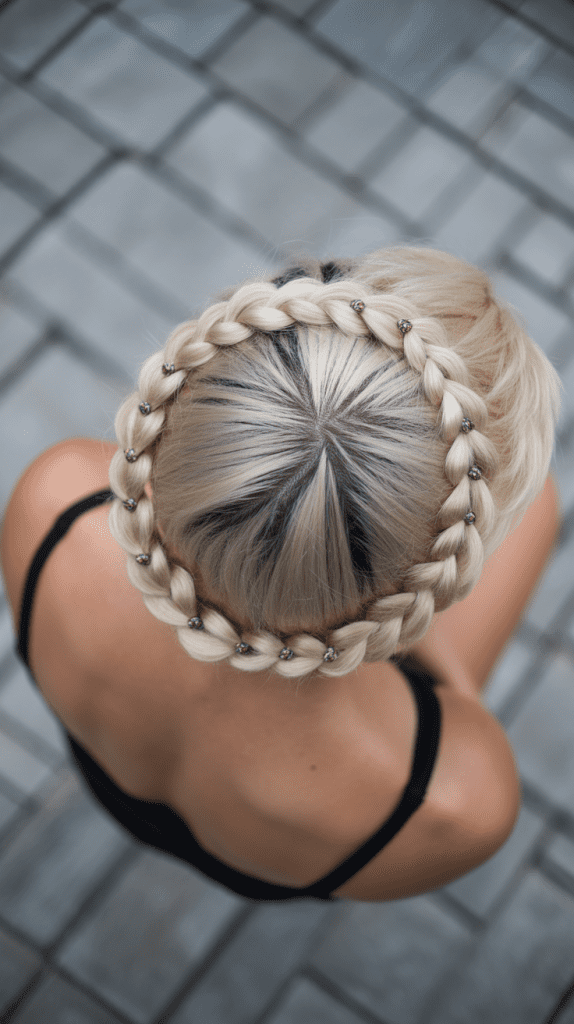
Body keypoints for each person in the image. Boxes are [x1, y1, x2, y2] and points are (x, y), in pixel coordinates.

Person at [1, 247, 562, 902]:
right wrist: (408, 623)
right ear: (430, 575)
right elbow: (456, 700)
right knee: (540, 501)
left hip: (109, 760)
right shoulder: (452, 802)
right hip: (277, 851)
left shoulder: (56, 501)